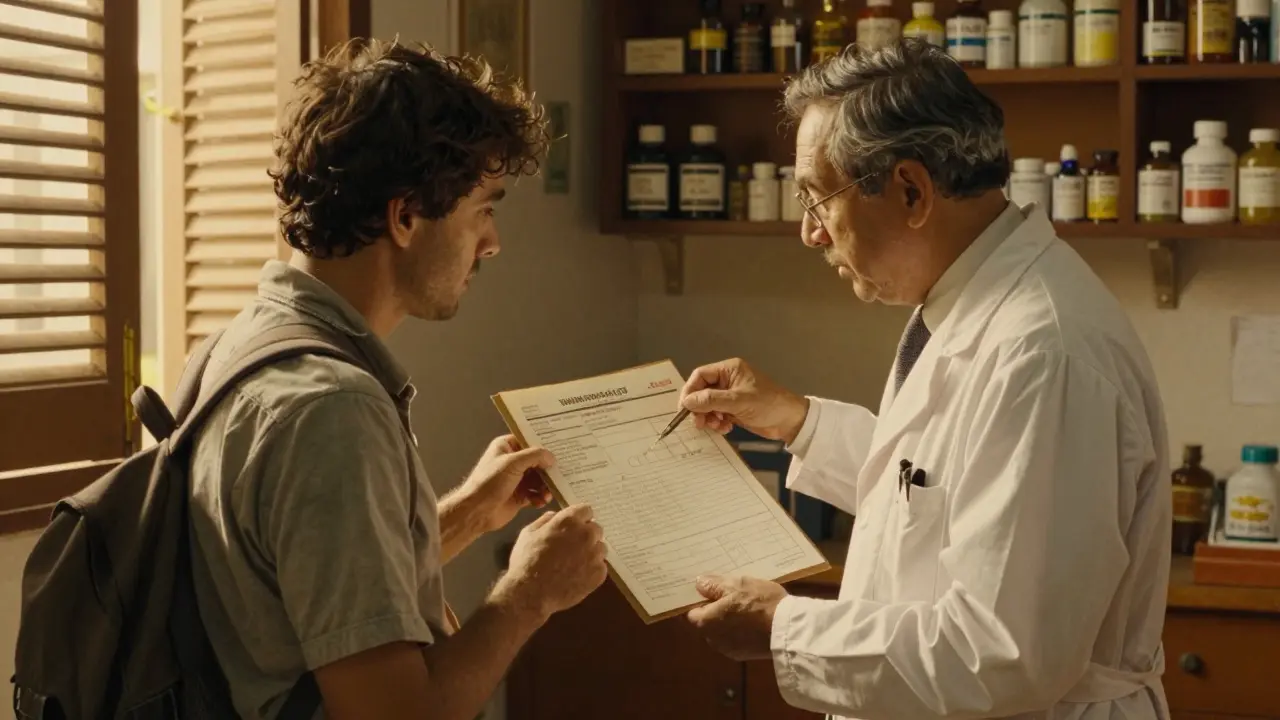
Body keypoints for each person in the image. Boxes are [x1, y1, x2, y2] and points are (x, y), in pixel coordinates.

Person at [680, 40, 1172, 720]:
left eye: (818, 199)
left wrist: (783, 627)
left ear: (911, 190)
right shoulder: (971, 303)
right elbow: (941, 485)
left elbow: (999, 655)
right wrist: (797, 421)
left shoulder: (1041, 353)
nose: (810, 233)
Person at [186, 39, 608, 720]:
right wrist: (529, 593)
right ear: (406, 216)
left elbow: (305, 590)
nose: (492, 242)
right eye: (485, 208)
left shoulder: (239, 347)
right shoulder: (332, 411)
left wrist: (469, 512)